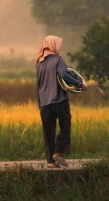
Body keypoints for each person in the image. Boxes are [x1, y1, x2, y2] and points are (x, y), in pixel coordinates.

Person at [35, 35, 84, 168]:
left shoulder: (39, 62)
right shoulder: (58, 60)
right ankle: (58, 153)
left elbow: (38, 85)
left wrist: (40, 103)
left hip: (44, 103)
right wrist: (80, 83)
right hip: (59, 100)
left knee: (48, 131)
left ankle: (50, 161)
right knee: (65, 127)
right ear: (54, 45)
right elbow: (64, 74)